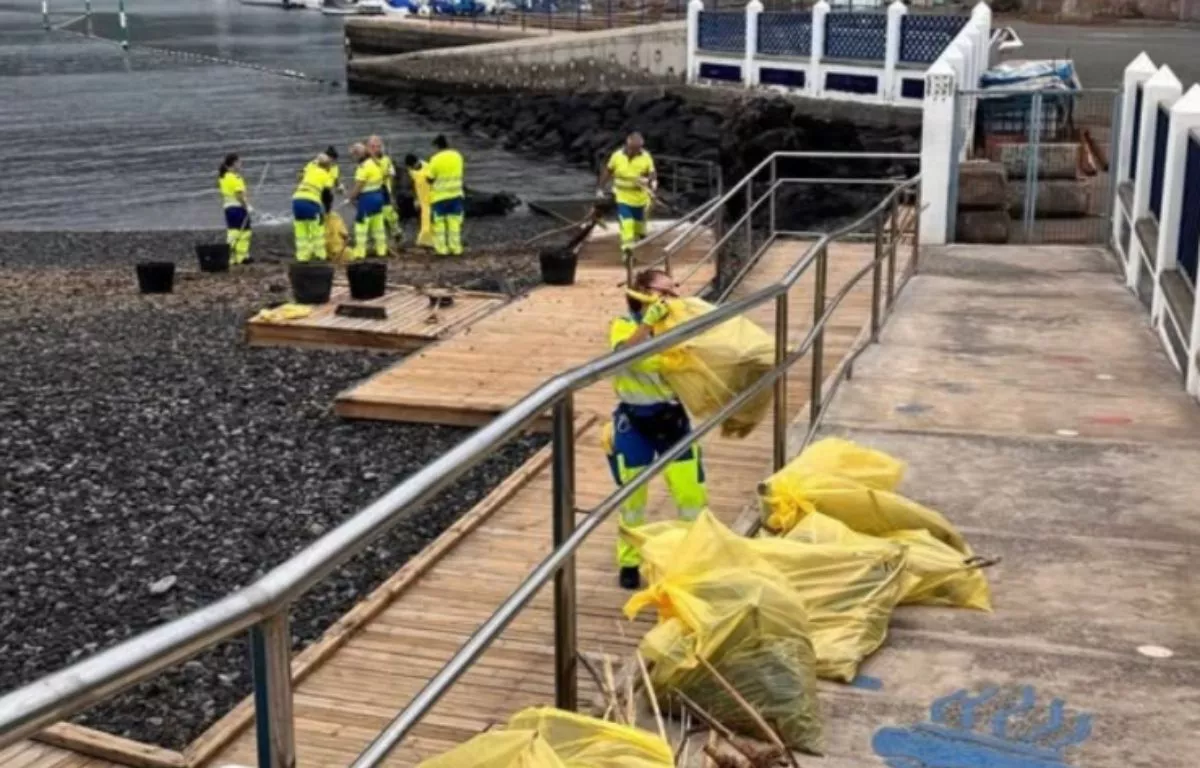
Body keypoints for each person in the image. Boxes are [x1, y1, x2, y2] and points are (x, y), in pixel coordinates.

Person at [605, 268, 707, 590]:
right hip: (634, 422)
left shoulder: (677, 325)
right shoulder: (623, 325)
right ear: (644, 293)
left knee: (691, 494)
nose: (671, 296)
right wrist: (648, 323)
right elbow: (625, 356)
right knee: (632, 498)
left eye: (674, 290)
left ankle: (692, 561)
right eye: (664, 291)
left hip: (672, 420)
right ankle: (630, 562)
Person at [597, 132, 657, 264]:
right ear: (628, 145)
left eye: (638, 149)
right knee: (627, 224)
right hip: (622, 197)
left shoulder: (645, 156)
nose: (635, 151)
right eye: (633, 149)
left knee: (638, 226)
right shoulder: (617, 156)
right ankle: (627, 253)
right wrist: (600, 188)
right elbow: (608, 171)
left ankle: (639, 236)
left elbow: (652, 172)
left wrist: (652, 182)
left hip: (640, 198)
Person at [347, 141, 388, 261]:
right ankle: (382, 250)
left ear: (358, 155)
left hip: (367, 199)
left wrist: (351, 197)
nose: (353, 158)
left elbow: (359, 186)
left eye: (354, 155)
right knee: (378, 226)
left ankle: (360, 252)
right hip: (379, 197)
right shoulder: (376, 163)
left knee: (361, 226)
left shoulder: (363, 167)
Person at [426, 134, 465, 256]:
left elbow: (430, 178)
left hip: (440, 196)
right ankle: (456, 248)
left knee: (439, 224)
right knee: (454, 223)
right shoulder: (457, 156)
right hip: (456, 194)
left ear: (437, 146)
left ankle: (442, 249)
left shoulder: (435, 159)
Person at [292, 153, 335, 262]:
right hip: (311, 202)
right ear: (327, 166)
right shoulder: (325, 174)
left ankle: (302, 257)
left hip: (297, 200)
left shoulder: (310, 170)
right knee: (317, 231)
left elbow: (300, 175)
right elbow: (327, 195)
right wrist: (327, 210)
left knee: (301, 231)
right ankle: (320, 256)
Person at [217, 153, 252, 265]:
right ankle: (241, 256)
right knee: (244, 232)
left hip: (228, 208)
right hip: (238, 208)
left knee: (233, 232)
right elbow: (239, 194)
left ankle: (233, 258)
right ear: (234, 163)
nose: (241, 165)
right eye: (239, 162)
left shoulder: (223, 177)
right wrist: (247, 206)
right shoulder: (235, 178)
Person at [368, 135, 400, 243]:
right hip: (371, 192)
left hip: (385, 190)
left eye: (378, 146)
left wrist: (389, 174)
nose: (375, 149)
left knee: (390, 214)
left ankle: (396, 233)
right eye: (373, 146)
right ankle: (376, 238)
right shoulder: (367, 162)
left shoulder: (387, 160)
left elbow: (392, 175)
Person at [405, 153, 435, 249]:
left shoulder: (428, 167)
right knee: (425, 221)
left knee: (432, 221)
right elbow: (413, 184)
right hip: (422, 200)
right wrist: (416, 199)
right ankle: (427, 241)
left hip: (432, 197)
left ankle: (426, 241)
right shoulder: (411, 171)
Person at [322, 145, 343, 214]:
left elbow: (336, 181)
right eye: (333, 159)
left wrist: (339, 187)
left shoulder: (335, 167)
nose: (333, 161)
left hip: (326, 192)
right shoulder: (319, 165)